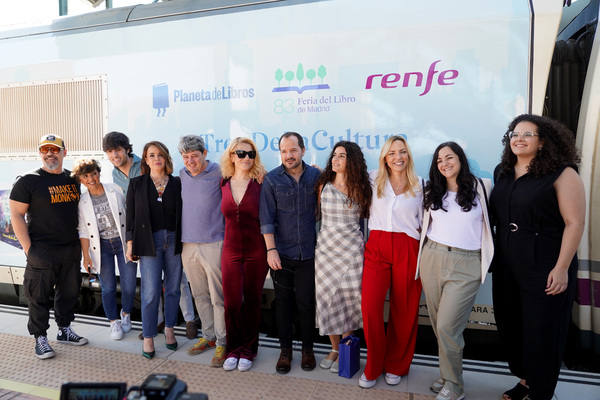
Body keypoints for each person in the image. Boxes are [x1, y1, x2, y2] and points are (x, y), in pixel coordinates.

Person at [489, 114, 585, 400]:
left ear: (543, 141)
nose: (518, 139)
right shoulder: (502, 172)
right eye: (514, 134)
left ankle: (542, 391)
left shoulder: (563, 173)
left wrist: (562, 267)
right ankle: (526, 381)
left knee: (542, 331)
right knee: (513, 326)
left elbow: (574, 223)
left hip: (546, 263)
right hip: (508, 263)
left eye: (527, 134)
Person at [417, 142, 493, 400]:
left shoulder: (483, 187)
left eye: (449, 157)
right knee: (439, 325)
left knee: (449, 326)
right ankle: (448, 376)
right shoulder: (432, 191)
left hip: (467, 264)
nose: (444, 163)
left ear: (460, 159)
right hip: (433, 257)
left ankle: (455, 386)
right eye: (439, 160)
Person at [103, 132, 197, 340]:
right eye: (110, 152)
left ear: (127, 149)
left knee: (176, 283)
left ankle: (188, 320)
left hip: (170, 237)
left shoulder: (171, 180)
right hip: (146, 235)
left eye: (117, 150)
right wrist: (131, 242)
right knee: (151, 288)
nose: (114, 155)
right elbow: (130, 208)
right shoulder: (117, 174)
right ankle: (154, 326)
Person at [9, 134, 88, 359]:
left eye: (55, 149)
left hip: (70, 249)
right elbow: (16, 215)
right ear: (40, 153)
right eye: (45, 149)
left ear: (65, 152)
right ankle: (40, 338)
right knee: (38, 296)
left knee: (69, 293)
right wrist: (28, 249)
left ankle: (64, 330)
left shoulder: (73, 179)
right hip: (41, 251)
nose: (50, 153)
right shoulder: (29, 181)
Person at [359, 135, 423, 388]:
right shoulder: (373, 178)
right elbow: (344, 176)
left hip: (408, 246)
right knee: (371, 307)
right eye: (392, 153)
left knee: (405, 308)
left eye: (403, 152)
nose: (398, 157)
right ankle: (373, 364)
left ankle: (397, 364)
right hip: (377, 247)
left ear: (409, 156)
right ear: (385, 158)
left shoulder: (421, 185)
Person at [260, 132, 321, 374]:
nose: (289, 155)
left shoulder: (316, 176)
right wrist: (270, 249)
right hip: (281, 254)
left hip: (308, 253)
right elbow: (266, 218)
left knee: (306, 304)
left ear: (303, 150)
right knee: (283, 304)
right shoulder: (272, 180)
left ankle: (308, 350)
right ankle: (285, 351)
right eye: (284, 151)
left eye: (293, 150)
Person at [314, 141, 371, 373]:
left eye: (342, 156)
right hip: (326, 250)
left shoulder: (361, 187)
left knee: (349, 301)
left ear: (352, 161)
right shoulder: (323, 184)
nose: (336, 160)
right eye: (334, 155)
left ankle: (346, 347)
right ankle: (335, 348)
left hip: (351, 251)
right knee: (327, 301)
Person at [126, 141, 183, 359]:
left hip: (173, 240)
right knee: (150, 293)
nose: (156, 158)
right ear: (146, 159)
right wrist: (130, 243)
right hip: (149, 242)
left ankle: (169, 329)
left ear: (166, 158)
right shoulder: (137, 184)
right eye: (151, 155)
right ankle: (149, 336)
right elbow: (130, 217)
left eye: (160, 154)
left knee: (173, 289)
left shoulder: (177, 183)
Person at [73, 159, 137, 340]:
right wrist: (86, 256)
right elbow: (83, 230)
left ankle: (126, 314)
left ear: (99, 173)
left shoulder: (115, 190)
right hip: (101, 247)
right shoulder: (82, 201)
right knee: (107, 287)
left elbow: (129, 215)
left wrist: (133, 241)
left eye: (94, 173)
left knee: (129, 285)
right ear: (81, 179)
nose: (91, 178)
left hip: (123, 242)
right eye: (86, 176)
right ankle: (113, 322)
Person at [178, 135, 227, 367]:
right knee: (199, 294)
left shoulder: (219, 172)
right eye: (186, 157)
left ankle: (222, 341)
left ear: (204, 153)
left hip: (214, 243)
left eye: (194, 156)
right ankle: (208, 336)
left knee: (219, 296)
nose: (190, 161)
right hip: (188, 245)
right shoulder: (181, 175)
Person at [219, 137, 267, 372]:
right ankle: (232, 349)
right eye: (241, 153)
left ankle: (248, 350)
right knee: (232, 303)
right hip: (230, 251)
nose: (246, 158)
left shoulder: (262, 182)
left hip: (256, 251)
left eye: (251, 154)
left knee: (252, 301)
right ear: (231, 156)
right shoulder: (223, 182)